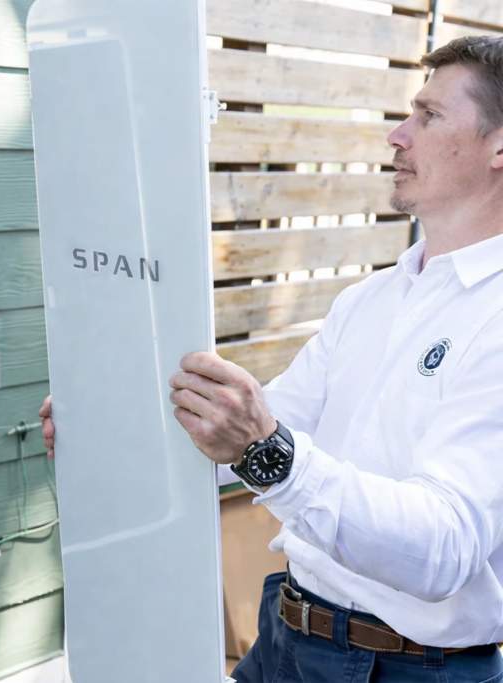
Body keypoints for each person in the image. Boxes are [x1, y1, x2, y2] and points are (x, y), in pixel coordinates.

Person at [39, 36, 503, 682]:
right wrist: (118, 427)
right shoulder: (371, 298)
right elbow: (265, 424)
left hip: (402, 668)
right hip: (286, 634)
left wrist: (273, 454)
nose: (398, 135)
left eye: (429, 116)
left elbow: (444, 544)